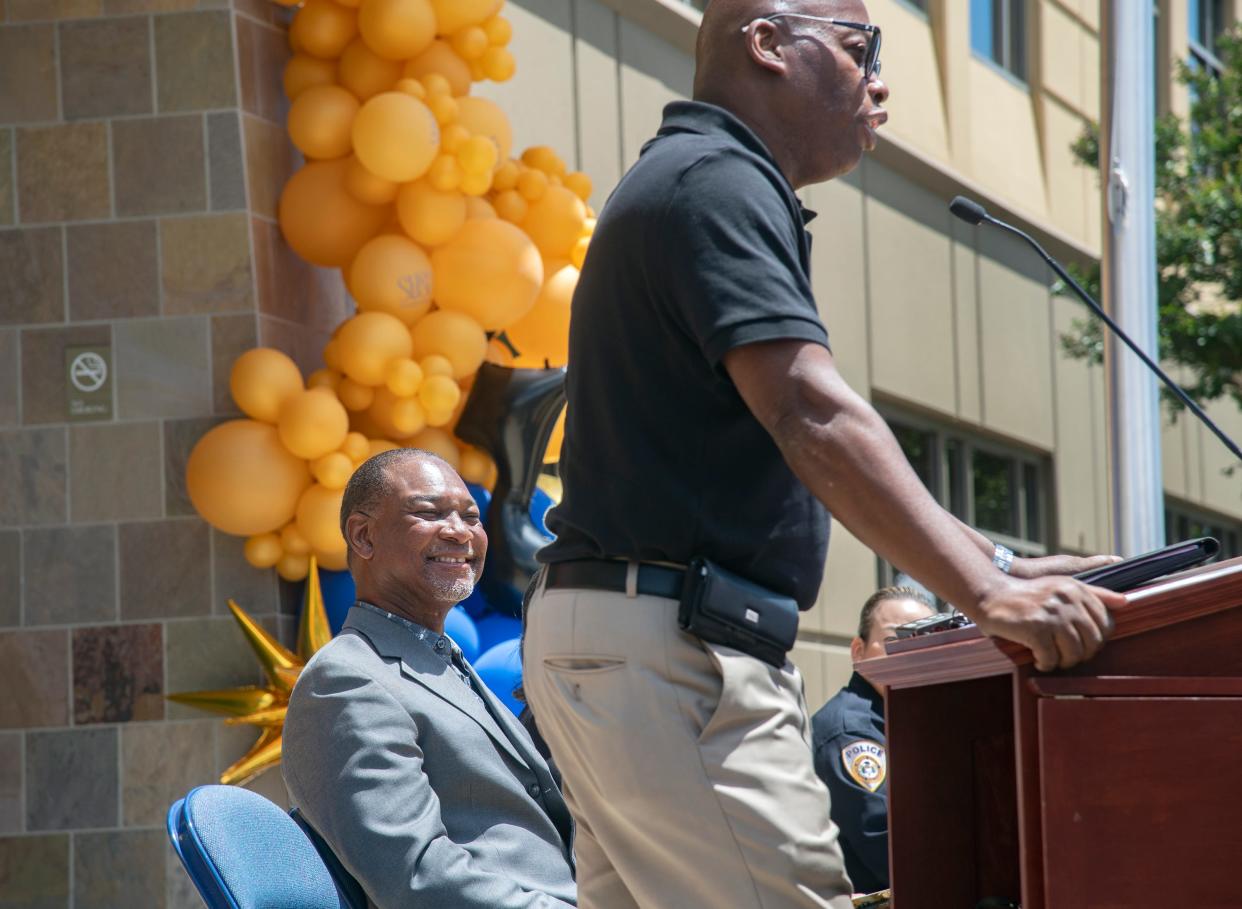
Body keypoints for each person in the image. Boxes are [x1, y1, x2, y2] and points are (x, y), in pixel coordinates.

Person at [521, 0, 1125, 906]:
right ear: (767, 44)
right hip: (670, 654)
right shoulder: (716, 179)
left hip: (624, 638)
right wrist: (990, 594)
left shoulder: (694, 176)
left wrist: (1002, 560)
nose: (878, 80)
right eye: (859, 47)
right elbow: (810, 408)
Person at [282, 449, 577, 909]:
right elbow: (418, 877)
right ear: (363, 536)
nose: (460, 532)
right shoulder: (347, 682)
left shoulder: (441, 664)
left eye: (471, 517)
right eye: (429, 513)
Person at [811, 587, 937, 893]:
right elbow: (889, 849)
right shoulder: (851, 732)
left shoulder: (910, 719)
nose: (910, 654)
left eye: (925, 643)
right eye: (895, 641)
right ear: (858, 651)